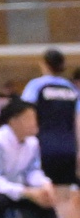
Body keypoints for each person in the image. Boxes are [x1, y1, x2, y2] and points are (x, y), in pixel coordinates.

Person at [21, 50, 76, 198]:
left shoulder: (36, 86)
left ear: (43, 64)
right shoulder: (71, 89)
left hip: (43, 146)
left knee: (45, 191)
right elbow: (77, 120)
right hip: (68, 147)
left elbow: (25, 113)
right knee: (65, 192)